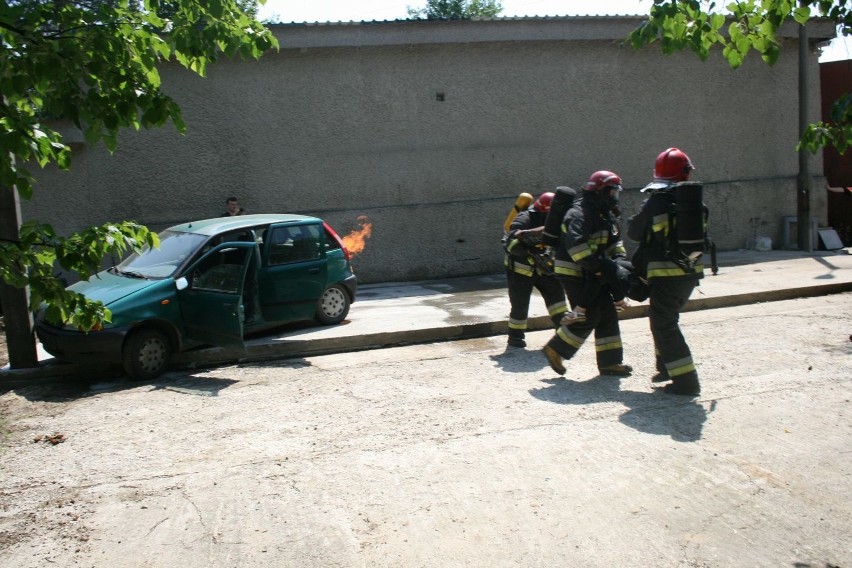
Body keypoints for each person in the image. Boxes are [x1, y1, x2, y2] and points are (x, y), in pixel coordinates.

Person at [626, 148, 704, 396]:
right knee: (662, 319)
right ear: (686, 173)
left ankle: (686, 383)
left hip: (665, 275)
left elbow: (635, 233)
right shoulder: (694, 202)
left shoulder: (657, 200)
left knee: (665, 324)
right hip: (689, 274)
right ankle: (666, 368)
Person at [543, 170, 633, 377]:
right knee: (589, 313)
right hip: (573, 271)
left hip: (593, 270)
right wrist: (600, 268)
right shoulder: (578, 214)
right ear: (601, 192)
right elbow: (577, 248)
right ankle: (555, 349)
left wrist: (618, 262)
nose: (615, 197)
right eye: (612, 192)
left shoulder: (604, 214)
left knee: (607, 313)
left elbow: (614, 241)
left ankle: (610, 363)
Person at [503, 192, 568, 348]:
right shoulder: (524, 219)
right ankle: (515, 338)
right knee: (520, 305)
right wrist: (532, 244)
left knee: (558, 301)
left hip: (546, 268)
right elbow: (512, 246)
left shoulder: (557, 220)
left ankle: (564, 334)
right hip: (521, 270)